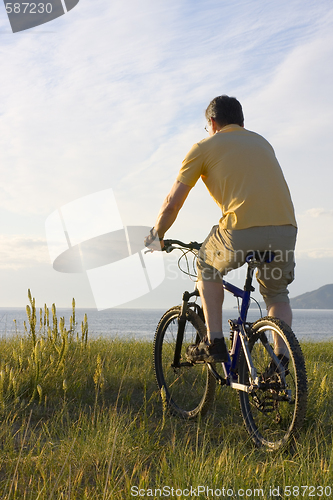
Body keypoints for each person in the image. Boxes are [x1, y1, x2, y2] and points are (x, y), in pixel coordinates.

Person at [145, 95, 297, 365]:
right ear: (241, 122)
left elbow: (172, 203)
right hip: (286, 228)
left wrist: (157, 235)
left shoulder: (203, 147)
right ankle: (282, 363)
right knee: (276, 294)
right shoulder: (262, 142)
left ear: (212, 123)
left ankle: (213, 341)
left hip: (242, 228)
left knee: (206, 264)